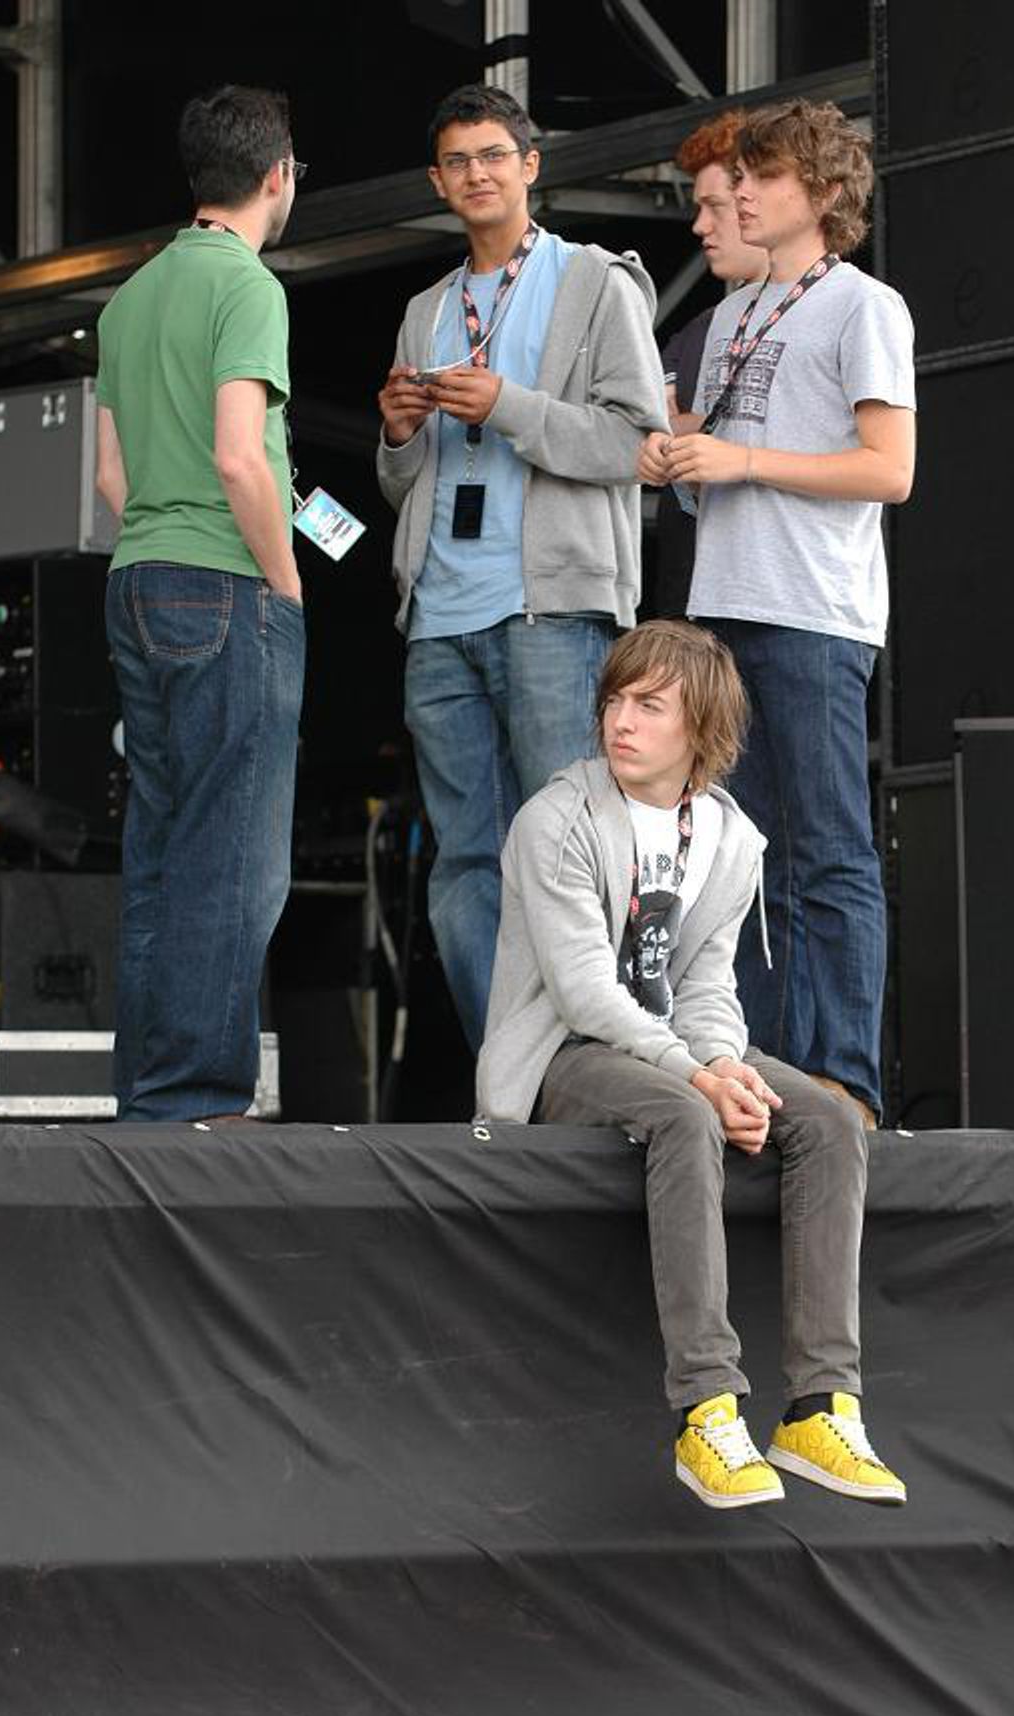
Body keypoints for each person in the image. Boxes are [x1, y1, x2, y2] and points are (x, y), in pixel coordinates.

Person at [477, 620, 905, 1511]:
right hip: (567, 1052)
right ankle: (708, 1410)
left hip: (674, 1046)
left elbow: (707, 985)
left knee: (827, 1117)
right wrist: (699, 1079)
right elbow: (587, 991)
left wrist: (723, 1062)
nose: (619, 720)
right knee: (683, 1116)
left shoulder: (729, 837)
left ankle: (822, 1407)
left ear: (700, 727)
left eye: (648, 704)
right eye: (615, 700)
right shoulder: (554, 820)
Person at [639, 100, 917, 1129]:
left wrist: (740, 459)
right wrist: (678, 462)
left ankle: (843, 1078)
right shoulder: (738, 317)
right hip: (724, 606)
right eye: (739, 177)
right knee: (735, 859)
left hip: (812, 610)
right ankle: (758, 1071)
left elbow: (890, 470)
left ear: (827, 195)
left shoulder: (864, 307)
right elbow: (715, 474)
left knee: (827, 851)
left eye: (763, 177)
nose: (741, 193)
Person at [377, 83, 667, 1054]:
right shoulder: (427, 307)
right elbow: (399, 483)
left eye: (494, 155)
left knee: (572, 852)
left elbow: (636, 443)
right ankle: (513, 1069)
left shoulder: (595, 280)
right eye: (458, 162)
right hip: (439, 618)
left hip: (554, 611)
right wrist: (397, 432)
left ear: (532, 165)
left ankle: (595, 1062)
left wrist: (508, 405)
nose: (477, 175)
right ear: (437, 181)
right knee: (465, 863)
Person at [95, 85, 305, 1120]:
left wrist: (163, 537)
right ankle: (198, 1101)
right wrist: (285, 579)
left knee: (162, 850)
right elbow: (240, 456)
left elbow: (108, 481)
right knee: (234, 857)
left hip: (136, 576)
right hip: (226, 581)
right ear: (279, 175)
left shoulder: (129, 298)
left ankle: (146, 1097)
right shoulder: (248, 287)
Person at [651, 109, 768, 618]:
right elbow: (645, 425)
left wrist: (706, 436)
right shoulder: (699, 330)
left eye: (714, 206)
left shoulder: (843, 309)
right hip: (692, 602)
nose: (700, 226)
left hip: (783, 602)